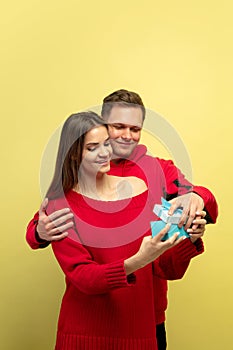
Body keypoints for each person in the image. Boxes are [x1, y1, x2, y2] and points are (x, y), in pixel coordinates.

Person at [26, 89, 217, 349]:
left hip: (147, 313)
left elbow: (206, 205)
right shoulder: (78, 179)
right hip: (96, 315)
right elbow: (44, 225)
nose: (127, 135)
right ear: (103, 125)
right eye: (118, 126)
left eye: (135, 128)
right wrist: (38, 232)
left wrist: (197, 196)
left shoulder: (157, 170)